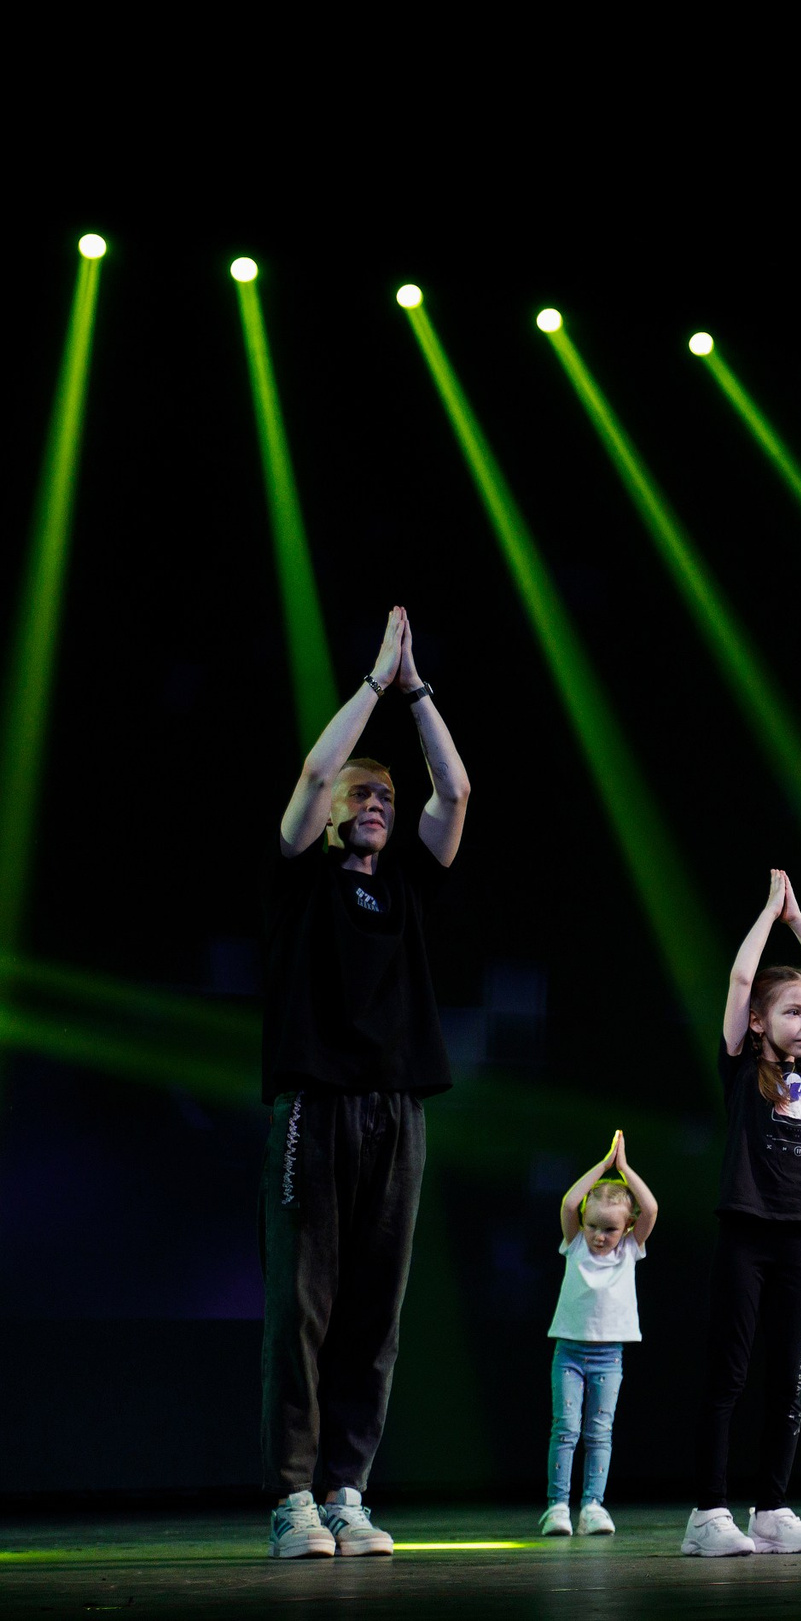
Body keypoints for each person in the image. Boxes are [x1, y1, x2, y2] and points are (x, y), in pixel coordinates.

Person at [261, 607, 469, 1560]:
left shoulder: (411, 881)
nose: (376, 799)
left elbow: (456, 790)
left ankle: (348, 1488)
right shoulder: (304, 869)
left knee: (376, 1308)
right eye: (363, 790)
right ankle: (293, 1498)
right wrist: (372, 685)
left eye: (385, 791)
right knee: (308, 1302)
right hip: (315, 1101)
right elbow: (312, 774)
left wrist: (416, 691)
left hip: (396, 1109)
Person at [680, 871, 801, 1558]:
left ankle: (772, 1507)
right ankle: (707, 1511)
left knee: (791, 1373)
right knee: (730, 1373)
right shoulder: (741, 1063)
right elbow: (741, 976)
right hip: (748, 1230)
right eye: (791, 1013)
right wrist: (767, 916)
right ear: (759, 1021)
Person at [540, 1130, 658, 1535]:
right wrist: (604, 1167)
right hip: (569, 1353)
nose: (599, 1236)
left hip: (609, 1356)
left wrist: (624, 1170)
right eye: (593, 1226)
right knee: (567, 1428)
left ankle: (592, 1505)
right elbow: (571, 1202)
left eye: (609, 1229)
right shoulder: (574, 1244)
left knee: (598, 1432)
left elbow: (651, 1207)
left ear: (626, 1229)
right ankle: (557, 1506)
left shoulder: (629, 1251)